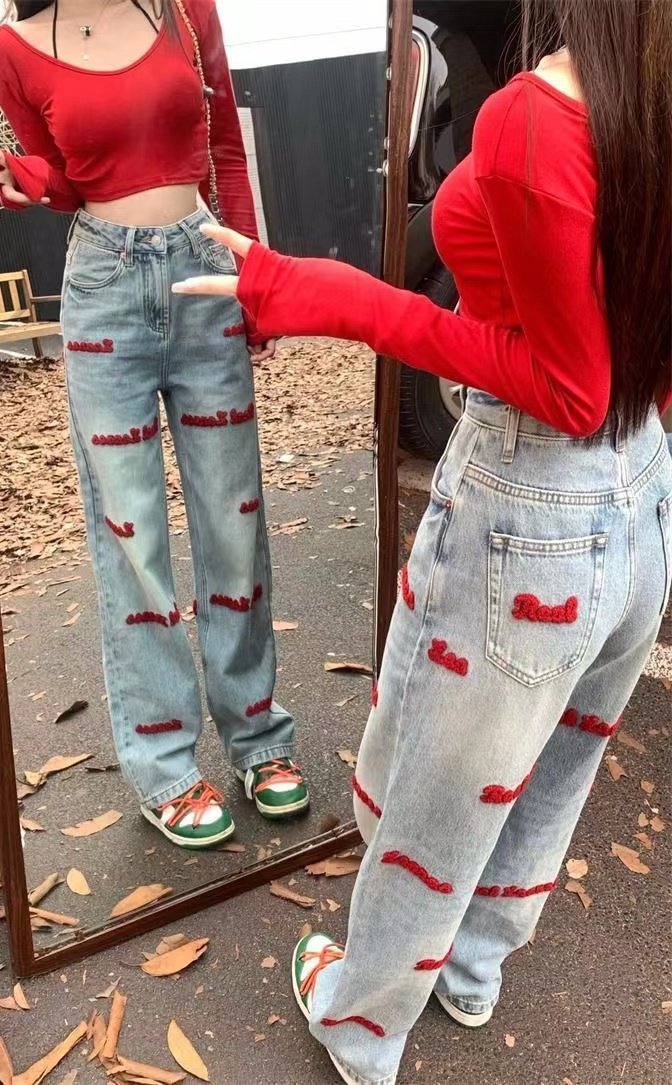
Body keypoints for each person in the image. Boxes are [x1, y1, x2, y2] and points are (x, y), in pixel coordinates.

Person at [172, 0, 672, 1079]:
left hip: (529, 502)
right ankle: (474, 967)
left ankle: (361, 1026)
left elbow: (568, 389)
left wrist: (333, 296)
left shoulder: (533, 117)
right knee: (555, 759)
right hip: (642, 489)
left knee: (438, 788)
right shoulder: (647, 88)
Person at [0, 0, 309, 849]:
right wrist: (33, 182)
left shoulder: (185, 8)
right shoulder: (10, 48)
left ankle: (257, 735)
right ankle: (164, 765)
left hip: (205, 272)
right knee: (131, 535)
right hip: (104, 292)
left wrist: (254, 277)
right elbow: (68, 182)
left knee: (233, 518)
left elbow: (226, 148)